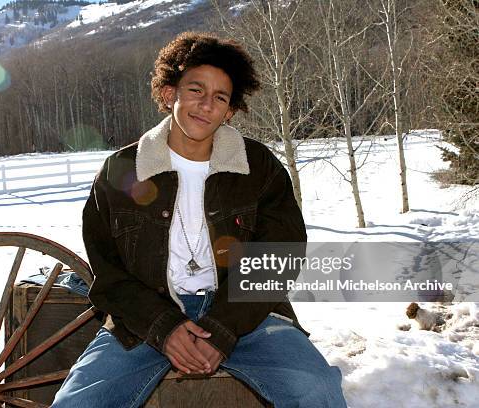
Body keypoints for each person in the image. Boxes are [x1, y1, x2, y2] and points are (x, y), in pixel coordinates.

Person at [52, 32, 347, 408]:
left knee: (318, 390)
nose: (205, 105)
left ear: (230, 110)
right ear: (170, 91)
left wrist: (222, 329)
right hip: (144, 321)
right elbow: (108, 274)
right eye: (195, 90)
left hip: (247, 317)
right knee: (76, 403)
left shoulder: (258, 168)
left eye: (220, 97)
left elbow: (278, 260)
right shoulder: (122, 170)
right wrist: (165, 328)